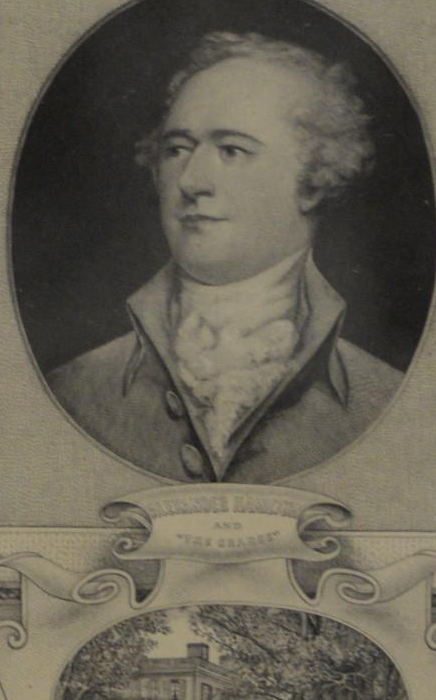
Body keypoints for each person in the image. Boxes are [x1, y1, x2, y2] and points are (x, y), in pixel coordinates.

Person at [43, 32, 406, 483]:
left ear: (314, 180)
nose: (191, 181)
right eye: (177, 150)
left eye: (232, 150)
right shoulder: (73, 391)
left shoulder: (388, 402)